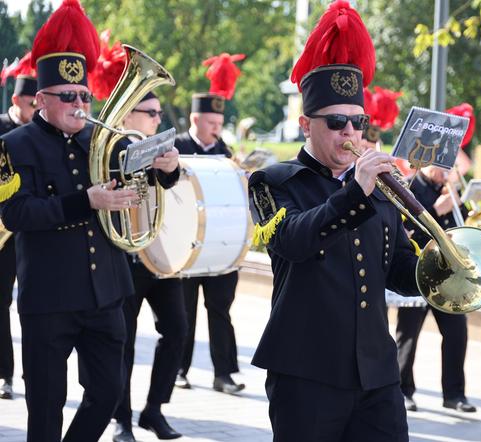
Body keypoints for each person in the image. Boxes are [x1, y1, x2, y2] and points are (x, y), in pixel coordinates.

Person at [248, 2, 420, 440]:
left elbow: (398, 268)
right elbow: (293, 242)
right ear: (306, 124)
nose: (350, 133)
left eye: (358, 122)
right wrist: (354, 191)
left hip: (377, 375)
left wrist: (443, 267)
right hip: (306, 373)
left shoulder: (378, 187)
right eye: (337, 122)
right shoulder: (273, 181)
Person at [0, 2, 137, 440]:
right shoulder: (12, 146)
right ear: (40, 99)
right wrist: (87, 202)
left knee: (108, 393)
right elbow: (15, 213)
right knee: (45, 408)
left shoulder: (103, 139)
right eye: (68, 97)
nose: (80, 105)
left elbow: (142, 180)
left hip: (106, 294)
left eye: (84, 96)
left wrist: (166, 170)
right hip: (49, 298)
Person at [111, 92, 185, 442]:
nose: (158, 119)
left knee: (178, 331)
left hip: (156, 254)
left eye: (158, 113)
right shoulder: (108, 146)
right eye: (151, 113)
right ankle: (120, 418)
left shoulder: (153, 148)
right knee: (122, 341)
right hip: (123, 258)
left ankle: (154, 410)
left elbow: (169, 184)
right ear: (127, 115)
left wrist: (172, 168)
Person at [396, 103, 477, 413]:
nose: (445, 171)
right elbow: (404, 230)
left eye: (449, 164)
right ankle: (403, 390)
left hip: (450, 276)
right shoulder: (410, 188)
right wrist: (437, 210)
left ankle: (454, 394)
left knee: (457, 333)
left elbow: (462, 230)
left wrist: (460, 208)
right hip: (419, 271)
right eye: (441, 164)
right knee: (408, 335)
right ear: (426, 160)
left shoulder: (450, 189)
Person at [174, 52, 246, 394]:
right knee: (183, 313)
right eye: (210, 122)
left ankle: (224, 373)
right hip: (186, 245)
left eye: (218, 122)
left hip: (219, 244)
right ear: (194, 118)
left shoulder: (227, 152)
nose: (216, 127)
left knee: (220, 311)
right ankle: (178, 369)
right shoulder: (176, 147)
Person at [0, 52, 37, 400]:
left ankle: (34, 371)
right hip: (2, 232)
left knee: (34, 304)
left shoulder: (43, 132)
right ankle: (4, 373)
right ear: (15, 100)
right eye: (31, 103)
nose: (36, 110)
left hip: (32, 231)